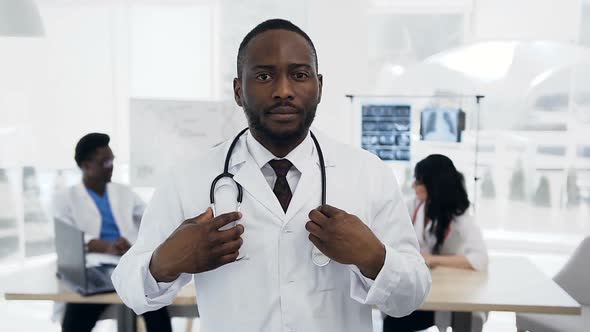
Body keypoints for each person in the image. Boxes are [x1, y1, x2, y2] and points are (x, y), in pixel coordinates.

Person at [112, 19, 431, 332]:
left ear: (319, 87)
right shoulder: (188, 178)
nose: (283, 91)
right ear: (238, 90)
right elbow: (129, 288)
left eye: (299, 75)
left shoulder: (368, 173)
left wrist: (374, 257)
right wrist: (165, 261)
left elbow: (411, 296)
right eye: (264, 76)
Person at [53, 133, 172, 332]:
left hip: (128, 263)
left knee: (156, 310)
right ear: (86, 165)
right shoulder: (65, 198)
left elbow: (150, 218)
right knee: (75, 320)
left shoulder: (123, 192)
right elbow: (68, 237)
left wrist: (134, 242)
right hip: (93, 268)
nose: (111, 166)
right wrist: (106, 246)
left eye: (112, 160)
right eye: (105, 162)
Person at [383, 154, 488, 332]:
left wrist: (433, 259)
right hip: (420, 286)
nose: (413, 186)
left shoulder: (459, 216)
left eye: (418, 181)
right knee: (393, 318)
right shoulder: (413, 205)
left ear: (434, 185)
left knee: (396, 322)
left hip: (451, 294)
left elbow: (480, 259)